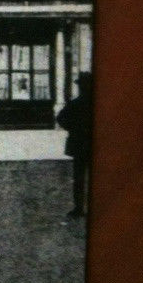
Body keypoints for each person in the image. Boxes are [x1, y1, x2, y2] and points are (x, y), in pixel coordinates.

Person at [56, 72, 93, 218]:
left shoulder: (75, 103)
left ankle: (79, 208)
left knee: (79, 178)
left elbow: (60, 118)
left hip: (78, 144)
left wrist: (72, 129)